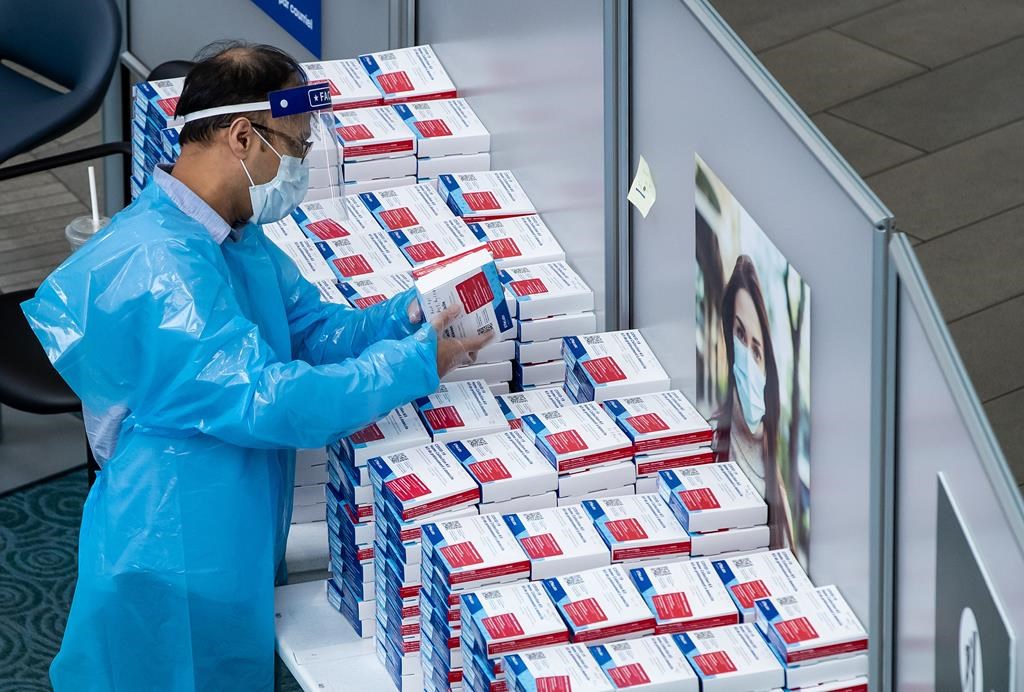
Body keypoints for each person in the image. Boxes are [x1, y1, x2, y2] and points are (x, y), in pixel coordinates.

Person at [22, 42, 489, 691]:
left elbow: (311, 330)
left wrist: (406, 316)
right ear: (243, 136)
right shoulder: (166, 268)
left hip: (225, 533)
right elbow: (270, 400)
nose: (296, 166)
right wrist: (412, 367)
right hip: (173, 549)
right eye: (294, 147)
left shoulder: (232, 236)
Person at [712, 254, 793, 549]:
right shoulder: (708, 438)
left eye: (756, 351)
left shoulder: (778, 493)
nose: (746, 354)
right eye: (739, 334)